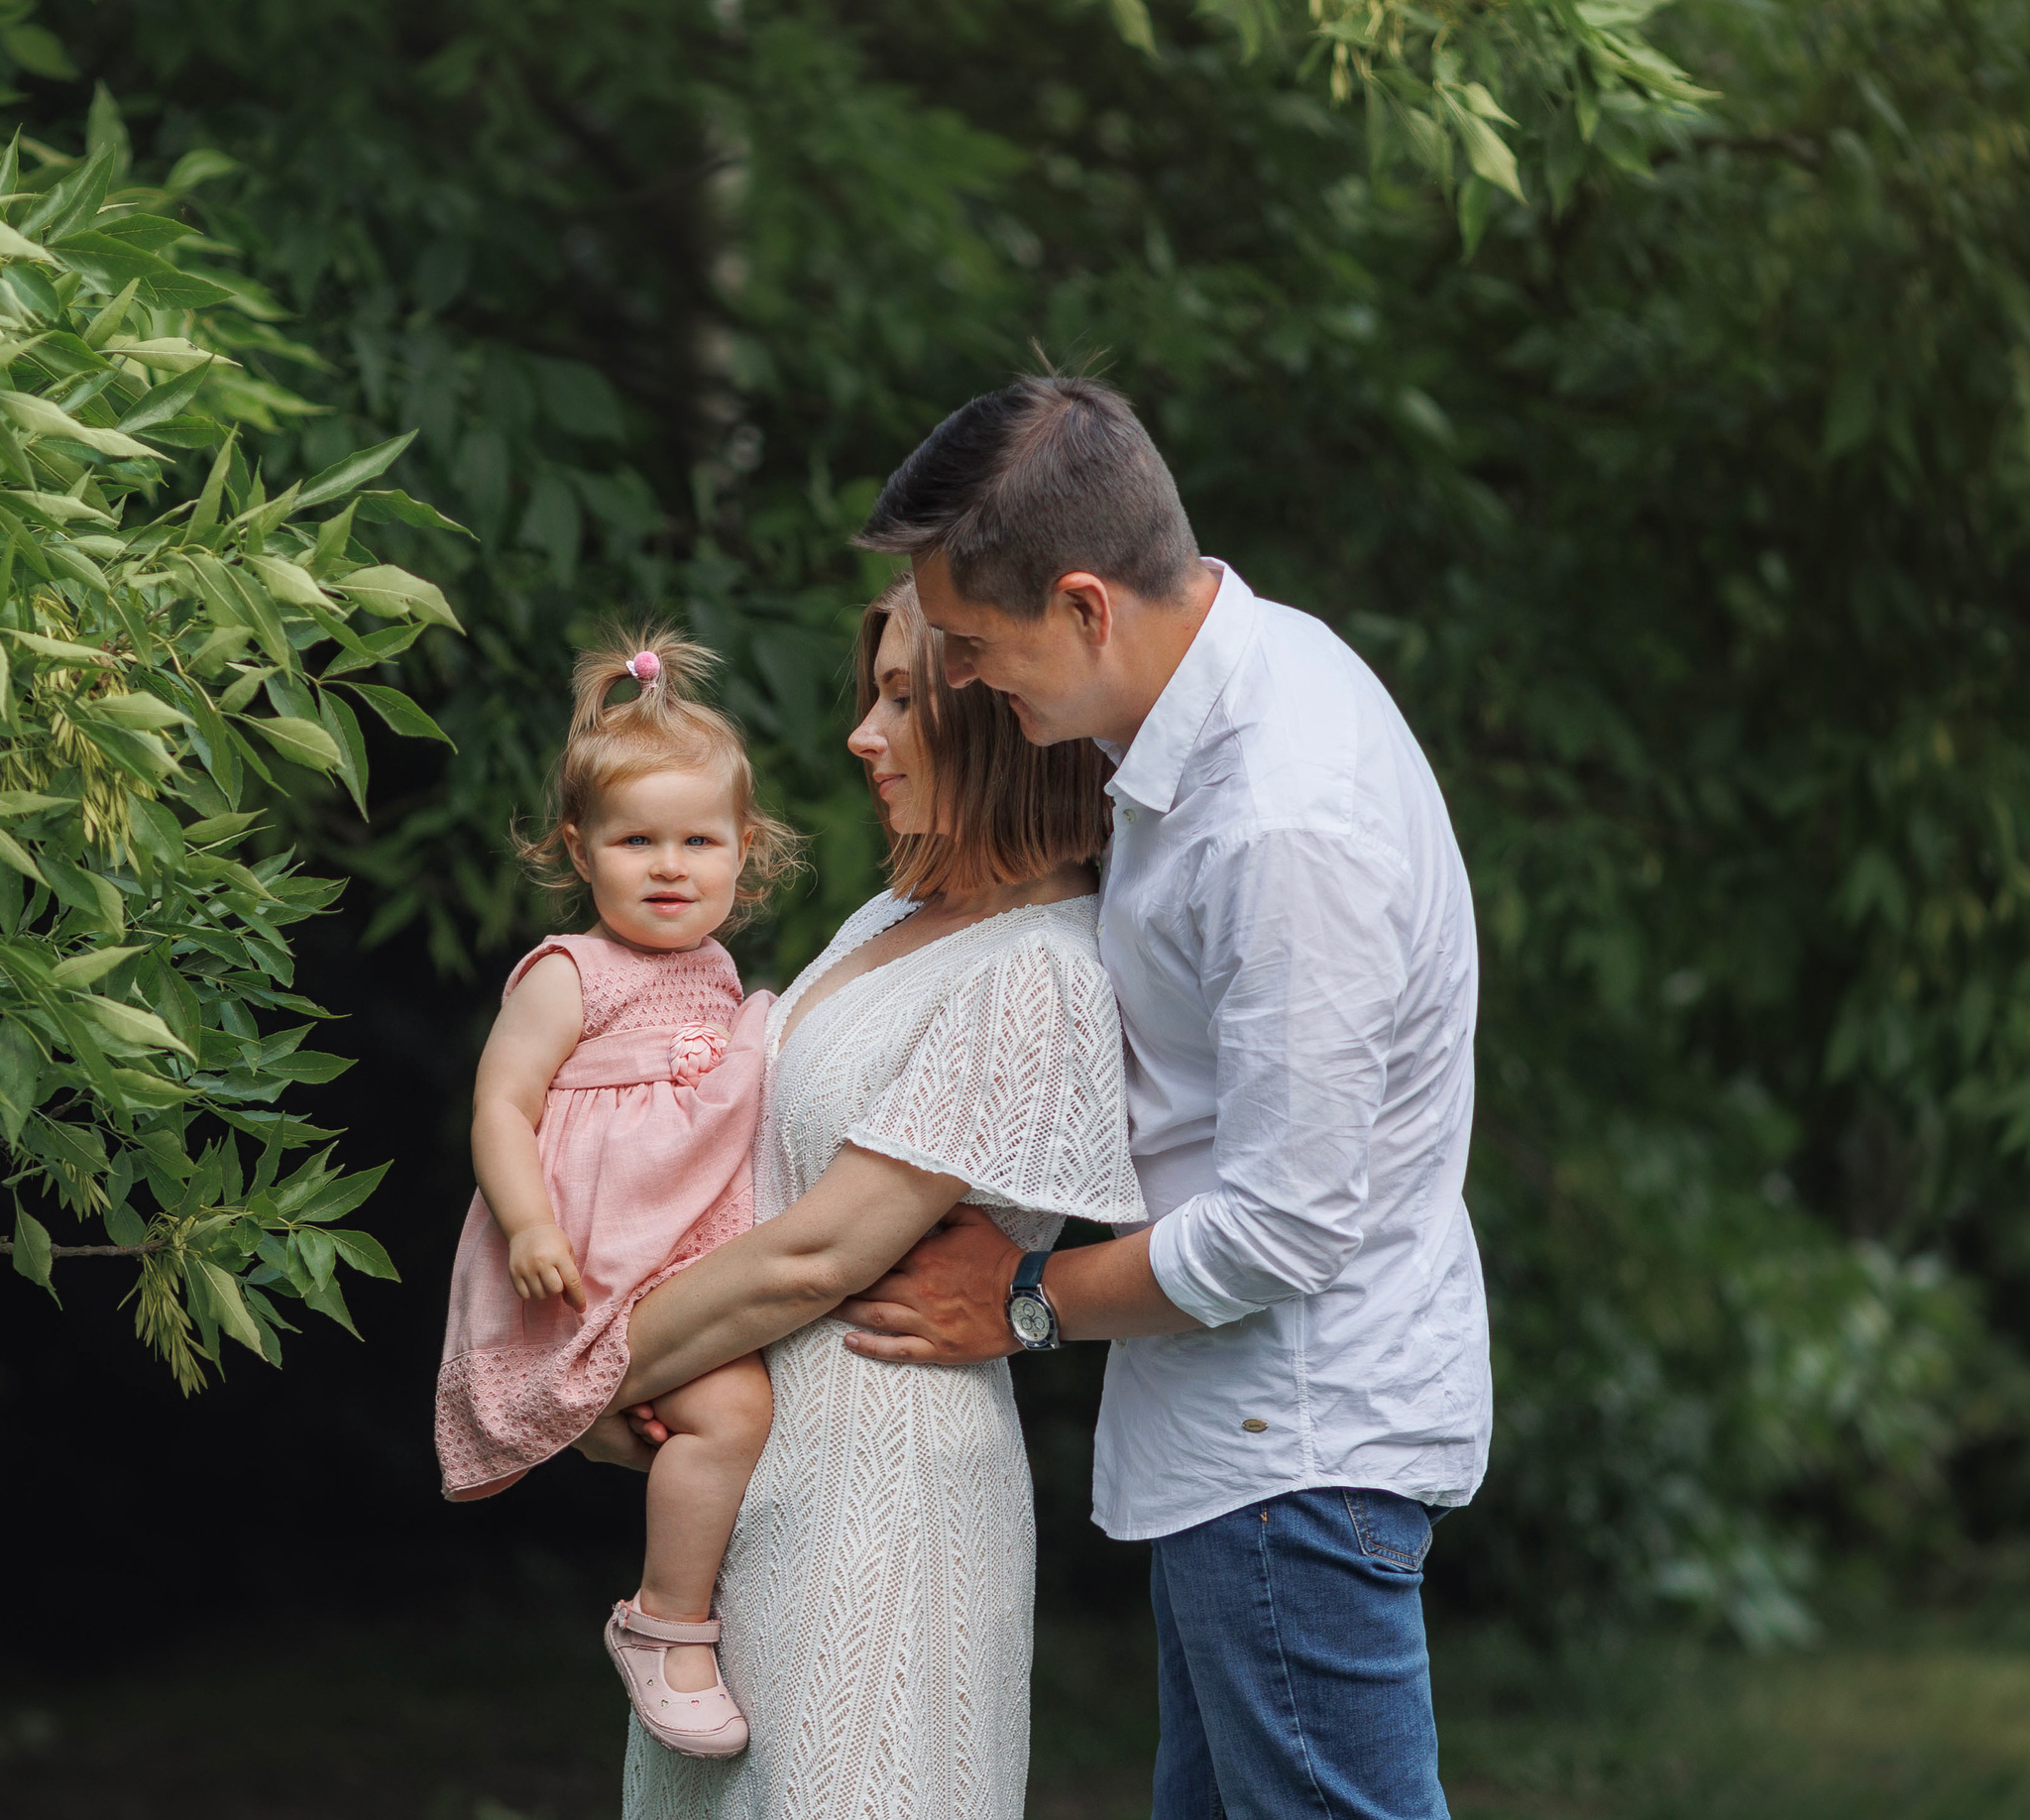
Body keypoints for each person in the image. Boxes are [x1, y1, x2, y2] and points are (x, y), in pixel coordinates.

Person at [834, 375, 1493, 1820]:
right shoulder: (1223, 694)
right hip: (1236, 1452)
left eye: (972, 647)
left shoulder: (1282, 817)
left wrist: (1019, 1299)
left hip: (1294, 1453)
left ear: (1084, 606)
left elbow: (1287, 1224)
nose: (963, 682)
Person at [591, 575, 1145, 1819]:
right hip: (751, 1486)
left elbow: (821, 1253)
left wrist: (569, 1376)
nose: (861, 734)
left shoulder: (1040, 969)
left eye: (901, 699)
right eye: (872, 695)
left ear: (995, 716)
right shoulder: (893, 915)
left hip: (879, 1501)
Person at [433, 627, 800, 1759]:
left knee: (734, 1413)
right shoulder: (568, 971)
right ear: (578, 851)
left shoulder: (720, 976)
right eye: (636, 840)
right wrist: (528, 1222)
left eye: (699, 840)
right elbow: (502, 1106)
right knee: (730, 1414)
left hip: (687, 1242)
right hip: (593, 1250)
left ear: (745, 851)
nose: (669, 866)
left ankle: (693, 1592)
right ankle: (666, 1623)